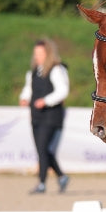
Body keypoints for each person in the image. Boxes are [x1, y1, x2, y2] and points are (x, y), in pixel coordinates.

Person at [18, 38, 70, 194]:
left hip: (51, 116)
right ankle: (61, 177)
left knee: (42, 149)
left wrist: (46, 101)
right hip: (36, 116)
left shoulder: (56, 69)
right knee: (44, 150)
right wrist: (24, 98)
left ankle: (41, 183)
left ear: (48, 53)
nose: (37, 56)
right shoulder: (33, 72)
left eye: (40, 53)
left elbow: (62, 91)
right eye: (36, 53)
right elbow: (29, 89)